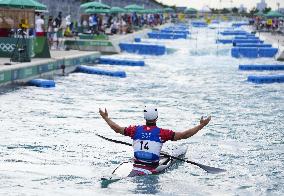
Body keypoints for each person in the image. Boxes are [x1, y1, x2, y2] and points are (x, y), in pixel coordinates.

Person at [99, 106, 211, 172]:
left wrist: (105, 117)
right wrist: (201, 126)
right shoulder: (162, 133)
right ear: (156, 118)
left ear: (144, 117)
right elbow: (184, 135)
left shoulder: (134, 130)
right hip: (152, 166)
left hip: (137, 163)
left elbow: (117, 129)